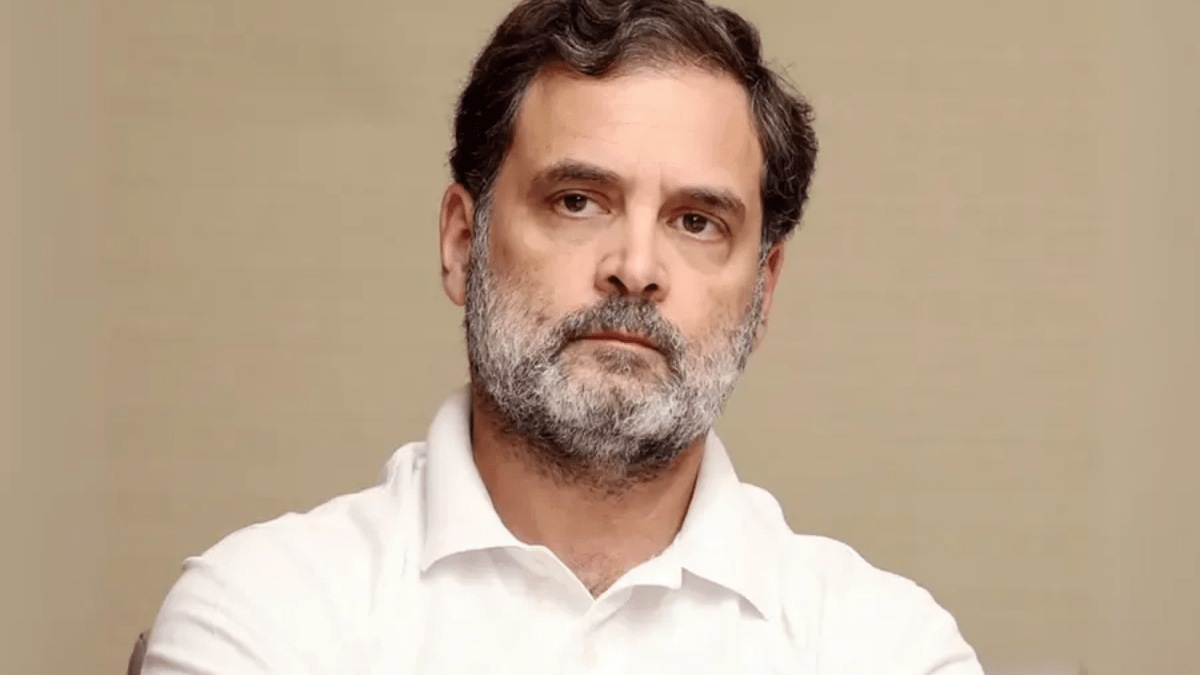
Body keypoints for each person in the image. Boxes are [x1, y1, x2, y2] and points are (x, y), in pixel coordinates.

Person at [142, 0, 985, 673]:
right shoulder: (265, 612)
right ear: (462, 241)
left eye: (697, 221)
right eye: (578, 201)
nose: (635, 267)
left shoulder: (888, 646)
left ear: (762, 292)